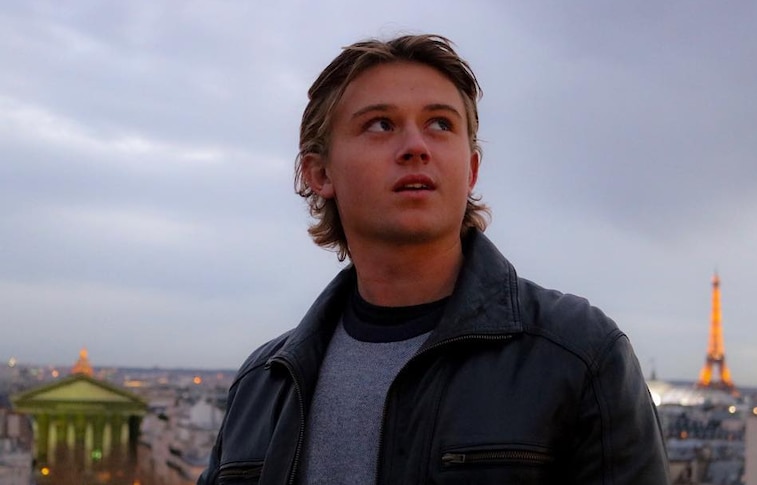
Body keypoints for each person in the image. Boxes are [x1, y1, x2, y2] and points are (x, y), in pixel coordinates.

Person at [197, 34, 669, 484]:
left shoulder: (581, 355)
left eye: (440, 124)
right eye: (380, 124)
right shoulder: (260, 385)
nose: (416, 147)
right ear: (319, 172)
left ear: (471, 169)